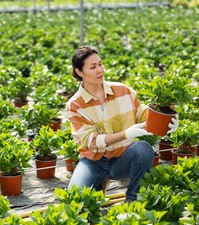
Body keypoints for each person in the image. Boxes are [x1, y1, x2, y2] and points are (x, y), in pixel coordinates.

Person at [65, 45, 178, 202]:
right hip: (93, 162)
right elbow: (91, 141)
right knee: (75, 198)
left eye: (100, 64)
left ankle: (133, 200)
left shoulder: (123, 91)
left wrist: (168, 120)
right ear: (79, 72)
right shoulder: (75, 105)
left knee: (143, 148)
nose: (100, 70)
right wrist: (125, 134)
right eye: (93, 67)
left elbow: (143, 114)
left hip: (122, 159)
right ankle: (97, 186)